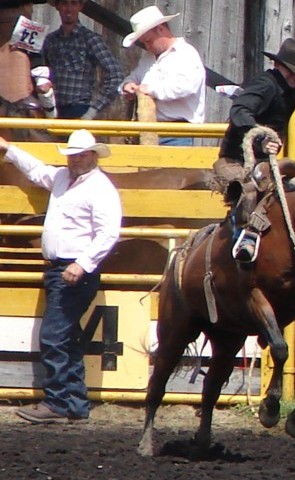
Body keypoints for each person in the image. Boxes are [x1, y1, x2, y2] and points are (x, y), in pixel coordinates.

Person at [0, 129, 122, 424]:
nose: (75, 160)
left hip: (73, 270)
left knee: (54, 335)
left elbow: (109, 233)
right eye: (73, 155)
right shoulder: (63, 178)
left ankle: (57, 401)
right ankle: (74, 403)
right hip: (63, 268)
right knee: (66, 337)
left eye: (80, 155)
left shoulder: (100, 189)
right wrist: (9, 150)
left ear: (93, 155)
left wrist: (82, 264)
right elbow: (37, 170)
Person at [214, 38, 295, 263]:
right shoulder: (265, 85)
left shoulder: (290, 92)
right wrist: (261, 138)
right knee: (250, 193)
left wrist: (272, 142)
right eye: (293, 72)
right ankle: (243, 239)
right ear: (281, 67)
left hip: (261, 164)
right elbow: (240, 111)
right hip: (235, 161)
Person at [121, 5, 206, 146]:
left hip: (177, 132)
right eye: (144, 43)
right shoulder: (148, 58)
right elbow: (134, 77)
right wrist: (127, 86)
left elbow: (186, 86)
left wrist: (150, 90)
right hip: (149, 130)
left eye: (148, 41)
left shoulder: (185, 54)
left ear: (160, 29)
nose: (147, 47)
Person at [42, 0, 123, 119]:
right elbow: (43, 73)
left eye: (73, 3)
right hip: (52, 110)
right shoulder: (50, 40)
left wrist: (93, 110)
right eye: (64, 3)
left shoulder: (90, 39)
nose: (69, 8)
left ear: (80, 6)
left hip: (80, 109)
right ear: (57, 6)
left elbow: (116, 74)